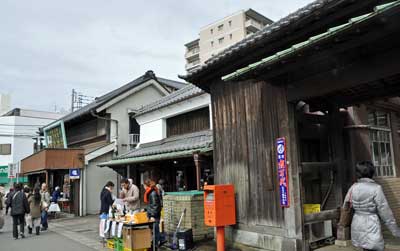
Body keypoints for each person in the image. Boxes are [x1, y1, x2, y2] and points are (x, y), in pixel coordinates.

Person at [343, 161, 400, 251]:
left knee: (363, 247)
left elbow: (346, 206)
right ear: (371, 172)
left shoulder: (353, 187)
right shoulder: (376, 188)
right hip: (371, 222)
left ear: (358, 173)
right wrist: (395, 230)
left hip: (356, 221)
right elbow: (385, 211)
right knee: (373, 247)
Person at [143, 179, 162, 247]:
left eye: (144, 186)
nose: (144, 188)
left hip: (154, 215)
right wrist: (145, 209)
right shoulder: (151, 192)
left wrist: (153, 216)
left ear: (146, 185)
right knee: (153, 229)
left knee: (155, 229)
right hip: (152, 214)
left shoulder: (152, 193)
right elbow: (151, 204)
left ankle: (156, 244)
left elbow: (155, 205)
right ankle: (154, 243)